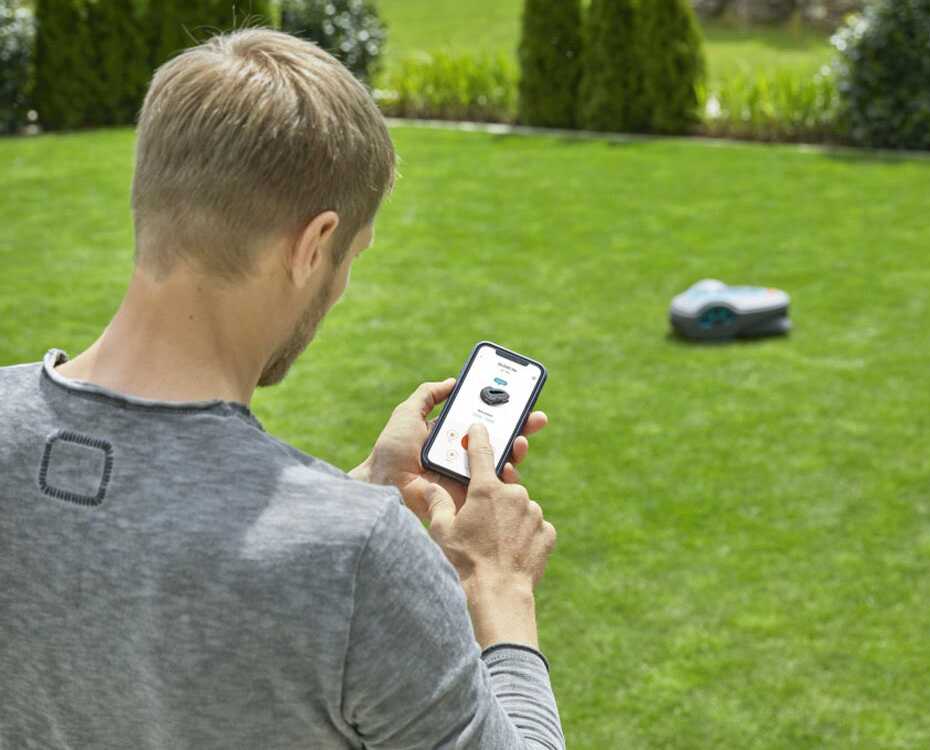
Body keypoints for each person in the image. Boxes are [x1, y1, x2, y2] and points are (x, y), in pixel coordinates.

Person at [0, 28, 563, 750]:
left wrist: (353, 490)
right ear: (313, 244)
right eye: (350, 256)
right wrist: (500, 587)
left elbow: (140, 525)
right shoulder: (359, 560)